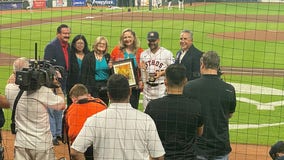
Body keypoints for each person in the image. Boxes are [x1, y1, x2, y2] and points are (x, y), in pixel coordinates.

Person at [70, 74, 165, 160]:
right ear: (130, 92)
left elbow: (75, 152)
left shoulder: (95, 120)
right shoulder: (145, 120)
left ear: (108, 94)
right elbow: (158, 156)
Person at [5, 57, 66, 160]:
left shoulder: (9, 89)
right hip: (41, 145)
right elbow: (62, 105)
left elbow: (10, 81)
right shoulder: (42, 91)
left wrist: (16, 73)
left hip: (21, 144)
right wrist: (57, 86)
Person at [183, 51, 236, 160]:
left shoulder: (189, 87)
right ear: (218, 67)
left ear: (202, 64)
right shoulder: (229, 89)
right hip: (220, 146)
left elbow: (185, 114)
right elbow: (229, 114)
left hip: (197, 146)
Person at [145, 64, 204, 160]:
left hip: (163, 157)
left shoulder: (153, 106)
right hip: (188, 157)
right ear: (185, 81)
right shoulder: (195, 106)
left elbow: (147, 136)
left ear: (165, 82)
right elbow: (200, 132)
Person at [44, 24, 71, 145]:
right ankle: (53, 135)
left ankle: (59, 133)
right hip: (52, 84)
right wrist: (54, 77)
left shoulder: (68, 46)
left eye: (68, 33)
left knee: (60, 108)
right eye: (64, 33)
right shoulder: (51, 46)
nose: (67, 35)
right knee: (51, 110)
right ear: (58, 34)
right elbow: (46, 65)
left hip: (64, 83)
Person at [65, 84, 106, 160]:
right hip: (100, 147)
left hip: (80, 150)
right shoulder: (101, 105)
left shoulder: (72, 108)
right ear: (88, 95)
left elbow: (70, 134)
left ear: (74, 99)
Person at [110, 28, 144, 109]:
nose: (127, 39)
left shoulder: (140, 51)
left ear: (134, 38)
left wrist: (140, 80)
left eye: (129, 37)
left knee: (133, 109)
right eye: (125, 37)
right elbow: (111, 63)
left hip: (134, 87)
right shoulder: (116, 50)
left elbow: (143, 70)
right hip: (119, 86)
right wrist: (110, 65)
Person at [140, 31, 174, 110]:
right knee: (147, 115)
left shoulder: (167, 53)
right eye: (150, 40)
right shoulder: (143, 54)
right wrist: (143, 70)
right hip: (147, 90)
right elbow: (143, 76)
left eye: (153, 40)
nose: (151, 43)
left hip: (161, 89)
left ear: (158, 40)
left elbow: (173, 69)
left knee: (161, 114)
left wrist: (162, 73)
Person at [81, 36, 112, 105]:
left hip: (105, 86)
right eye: (99, 43)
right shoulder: (88, 57)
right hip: (93, 86)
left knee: (104, 106)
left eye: (104, 44)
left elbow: (111, 73)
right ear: (96, 44)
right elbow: (83, 75)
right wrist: (87, 91)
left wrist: (111, 68)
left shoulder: (107, 56)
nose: (102, 45)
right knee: (94, 106)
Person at [66, 34, 90, 106]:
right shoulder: (70, 55)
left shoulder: (89, 55)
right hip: (72, 85)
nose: (80, 45)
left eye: (82, 43)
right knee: (72, 105)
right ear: (74, 44)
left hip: (85, 85)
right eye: (78, 43)